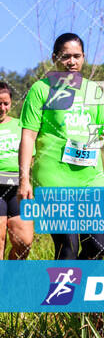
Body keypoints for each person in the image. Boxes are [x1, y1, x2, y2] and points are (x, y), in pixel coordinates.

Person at [18, 33, 104, 260]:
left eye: (77, 56)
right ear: (55, 58)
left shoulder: (93, 90)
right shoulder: (40, 90)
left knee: (98, 245)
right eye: (65, 57)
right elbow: (29, 136)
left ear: (83, 58)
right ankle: (64, 295)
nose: (72, 61)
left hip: (91, 179)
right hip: (55, 181)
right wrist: (24, 179)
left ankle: (75, 290)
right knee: (68, 246)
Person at [0, 82, 33, 259]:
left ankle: (10, 279)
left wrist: (26, 182)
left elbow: (31, 156)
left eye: (6, 103)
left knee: (24, 241)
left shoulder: (20, 125)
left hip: (17, 188)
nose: (2, 108)